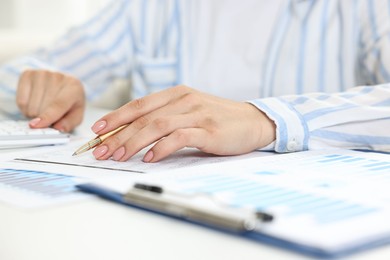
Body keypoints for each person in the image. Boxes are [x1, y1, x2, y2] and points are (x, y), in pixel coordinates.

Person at [0, 0, 389, 163]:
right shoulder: (151, 8)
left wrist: (266, 120)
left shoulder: (362, 8)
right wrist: (41, 88)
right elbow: (16, 73)